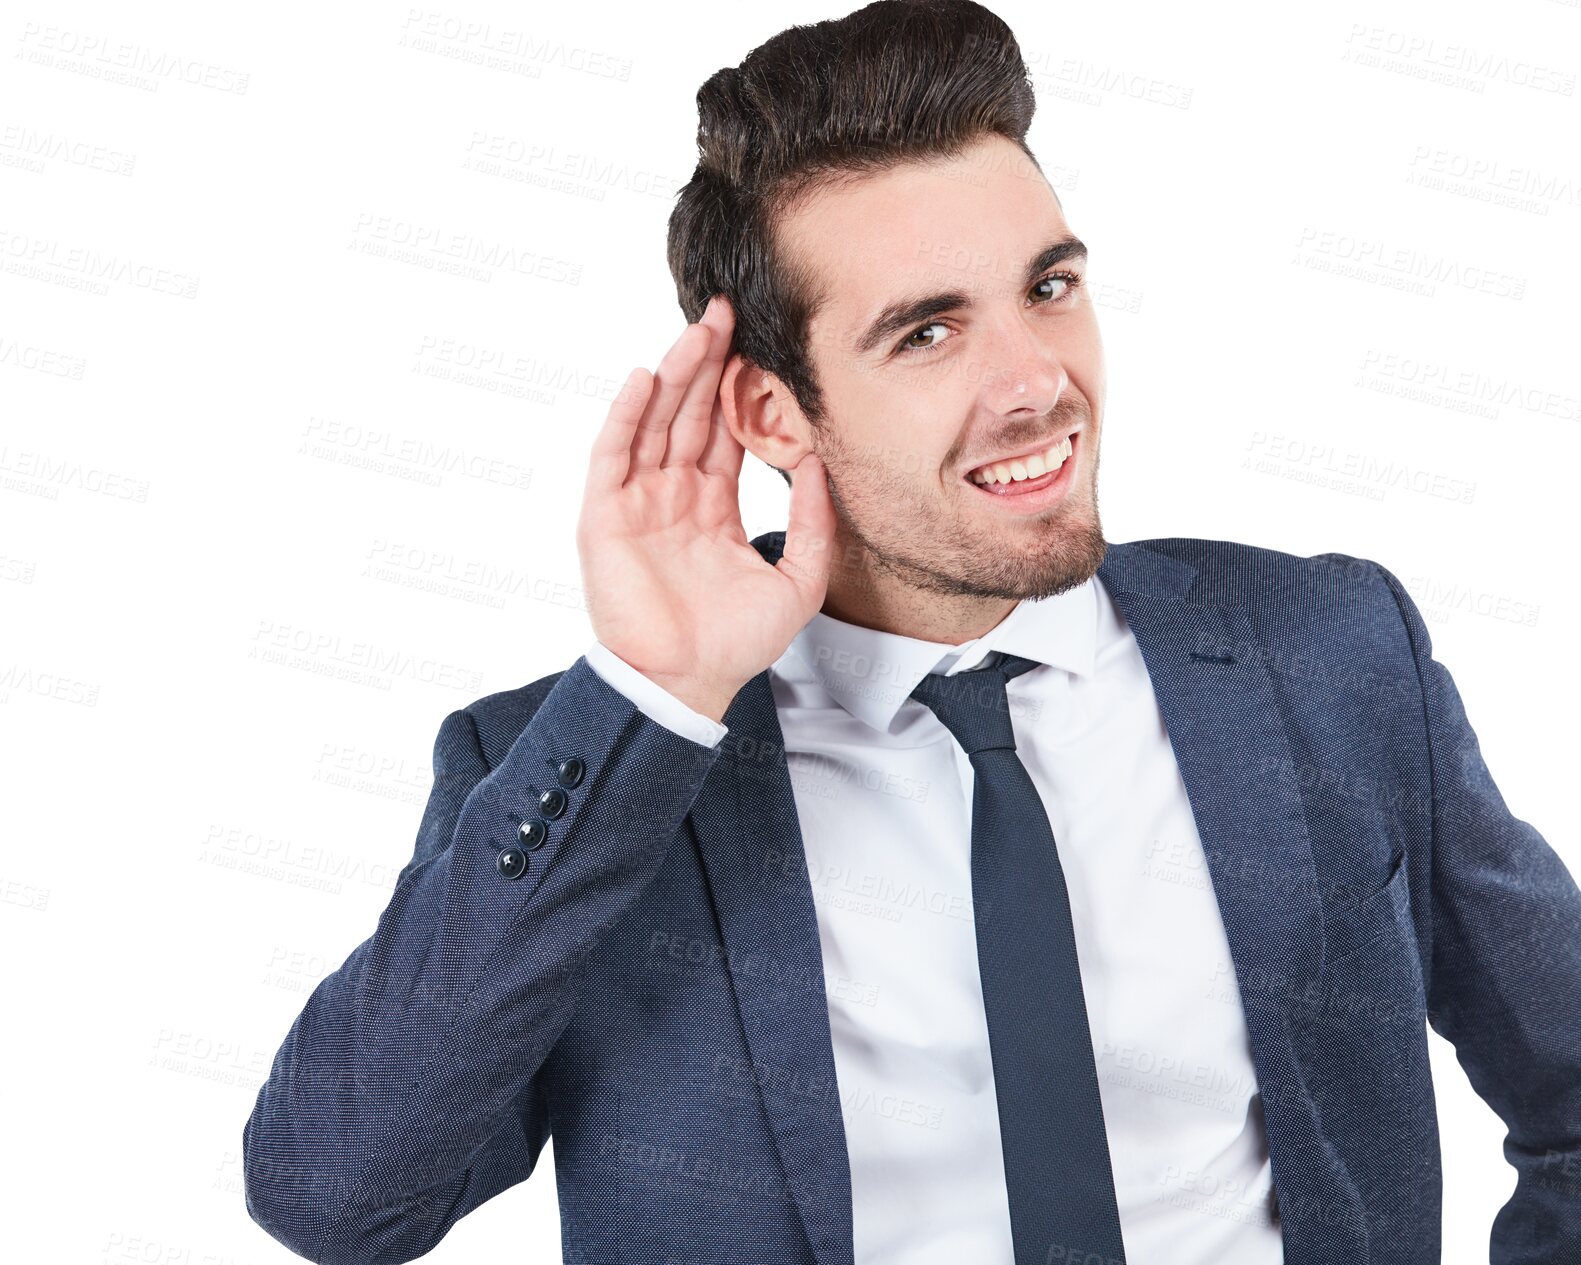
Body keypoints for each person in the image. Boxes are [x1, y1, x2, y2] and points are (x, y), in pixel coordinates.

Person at [242, 2, 1581, 1262]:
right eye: (928, 330)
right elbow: (338, 1196)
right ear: (773, 415)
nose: (1035, 382)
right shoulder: (590, 772)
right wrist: (651, 700)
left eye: (1046, 288)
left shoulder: (1323, 654)